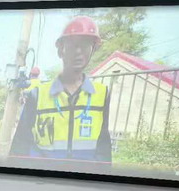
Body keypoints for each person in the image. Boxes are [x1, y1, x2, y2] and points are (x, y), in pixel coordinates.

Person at [10, 16, 112, 163]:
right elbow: (19, 147)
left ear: (93, 49)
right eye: (72, 45)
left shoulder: (102, 94)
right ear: (60, 51)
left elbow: (103, 149)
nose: (78, 51)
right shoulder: (37, 94)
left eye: (85, 45)